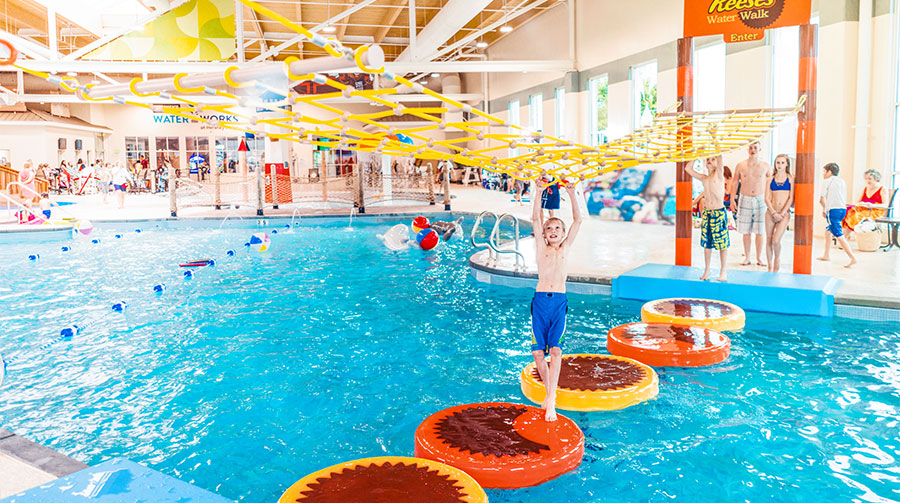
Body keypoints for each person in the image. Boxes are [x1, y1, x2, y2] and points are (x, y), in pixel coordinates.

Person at [531, 178, 582, 422]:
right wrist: (538, 192)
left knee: (556, 351)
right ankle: (550, 391)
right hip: (540, 301)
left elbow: (578, 221)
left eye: (557, 229)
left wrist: (572, 193)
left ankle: (551, 399)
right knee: (539, 355)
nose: (553, 232)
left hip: (559, 302)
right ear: (544, 234)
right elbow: (534, 219)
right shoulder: (541, 247)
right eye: (549, 229)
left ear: (563, 234)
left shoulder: (566, 248)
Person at [686, 155, 729, 281]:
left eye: (713, 159)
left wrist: (714, 136)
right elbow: (688, 169)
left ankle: (723, 270)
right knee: (707, 243)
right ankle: (707, 269)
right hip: (707, 213)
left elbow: (720, 156)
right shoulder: (704, 178)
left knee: (722, 244)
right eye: (708, 160)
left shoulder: (719, 175)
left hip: (718, 213)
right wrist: (694, 154)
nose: (710, 161)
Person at [731, 141, 771, 266]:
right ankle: (747, 257)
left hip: (761, 199)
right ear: (747, 150)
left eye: (755, 148)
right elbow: (734, 182)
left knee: (760, 231)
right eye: (751, 148)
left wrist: (771, 201)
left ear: (760, 150)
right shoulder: (741, 165)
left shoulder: (765, 166)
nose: (753, 150)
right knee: (746, 230)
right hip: (745, 198)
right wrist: (732, 199)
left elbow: (770, 184)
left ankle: (759, 258)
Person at [818, 162, 857, 268]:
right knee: (828, 231)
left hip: (833, 211)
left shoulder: (827, 181)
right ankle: (826, 255)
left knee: (839, 235)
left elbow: (821, 200)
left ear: (829, 172)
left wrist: (825, 210)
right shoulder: (842, 181)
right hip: (843, 210)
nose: (823, 174)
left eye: (824, 172)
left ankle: (853, 258)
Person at [764, 154, 794, 273]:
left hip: (784, 213)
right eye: (777, 163)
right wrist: (773, 212)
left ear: (787, 164)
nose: (779, 165)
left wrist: (781, 213)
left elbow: (791, 198)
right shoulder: (770, 179)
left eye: (782, 163)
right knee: (769, 239)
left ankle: (777, 259)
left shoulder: (790, 178)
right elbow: (766, 198)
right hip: (771, 212)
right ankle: (769, 266)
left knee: (776, 240)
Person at [843, 169, 889, 235]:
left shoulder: (883, 189)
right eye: (866, 179)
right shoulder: (866, 188)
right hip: (864, 209)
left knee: (855, 216)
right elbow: (858, 202)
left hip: (875, 210)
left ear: (876, 178)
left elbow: (885, 205)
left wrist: (872, 205)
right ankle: (844, 239)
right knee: (848, 213)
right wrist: (860, 204)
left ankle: (849, 238)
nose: (867, 181)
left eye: (870, 179)